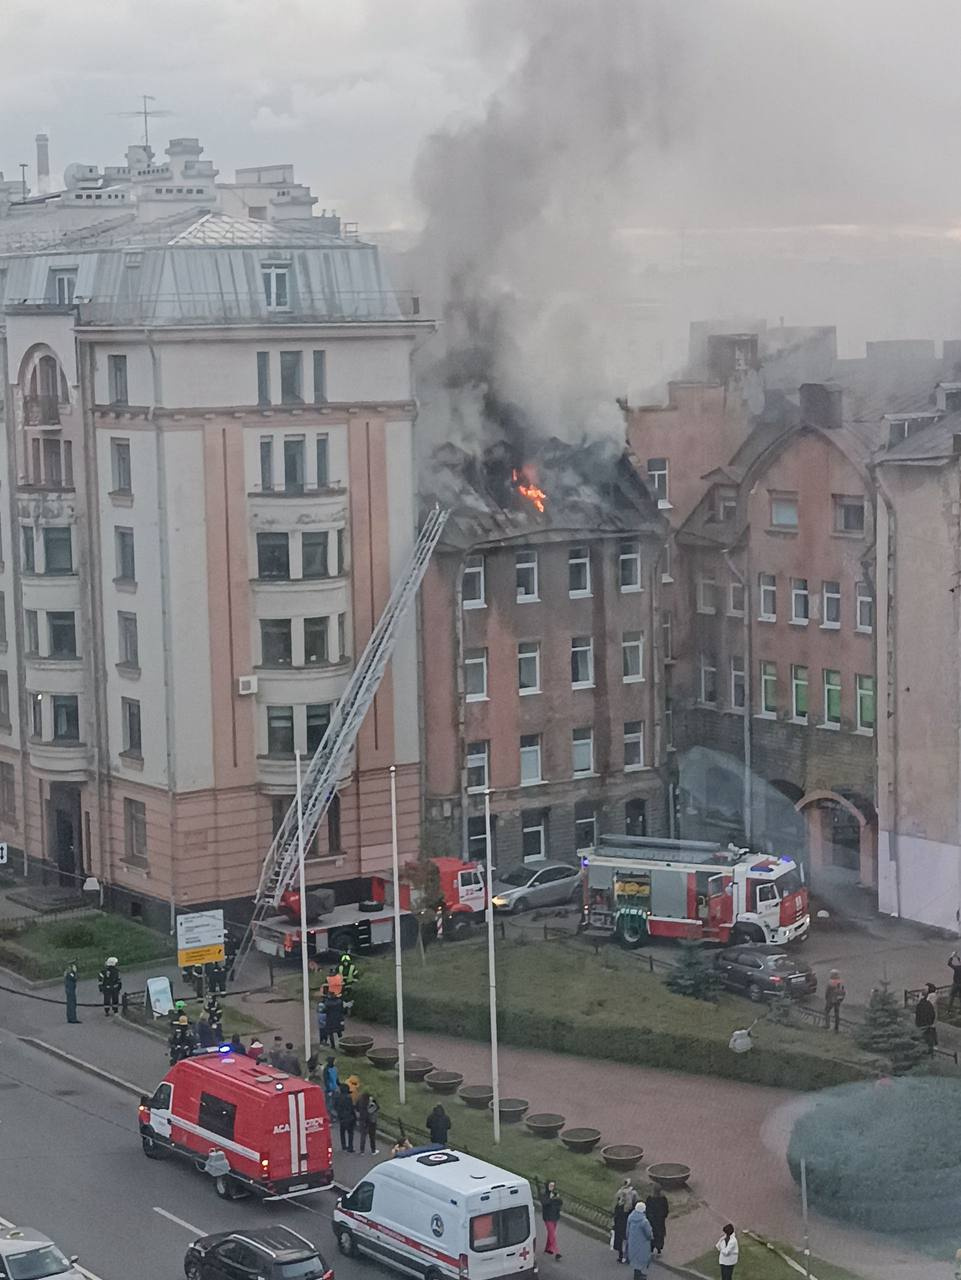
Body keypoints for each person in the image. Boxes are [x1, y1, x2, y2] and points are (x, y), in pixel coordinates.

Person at [625, 1201, 653, 1280]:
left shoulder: (630, 1217)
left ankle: (637, 1273)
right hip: (642, 1243)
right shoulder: (644, 1221)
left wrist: (628, 1237)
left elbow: (627, 1229)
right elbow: (648, 1233)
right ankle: (637, 1275)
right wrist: (651, 1237)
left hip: (632, 1241)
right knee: (640, 1258)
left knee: (635, 1258)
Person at [612, 1179, 638, 1263]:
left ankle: (620, 1255)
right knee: (628, 1237)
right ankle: (628, 1256)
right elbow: (636, 1202)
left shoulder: (620, 1191)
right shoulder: (633, 1193)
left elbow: (616, 1202)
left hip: (619, 1216)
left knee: (619, 1236)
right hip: (628, 1216)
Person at [540, 1181, 563, 1260]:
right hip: (548, 1217)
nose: (552, 1187)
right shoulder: (544, 1195)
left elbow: (560, 1203)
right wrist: (551, 1198)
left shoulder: (555, 1194)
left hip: (555, 1217)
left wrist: (557, 1198)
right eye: (550, 1186)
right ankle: (557, 1252)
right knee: (552, 1234)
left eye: (553, 1186)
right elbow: (544, 1203)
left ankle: (548, 1248)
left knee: (551, 1233)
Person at [645, 1185, 669, 1256]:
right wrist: (664, 1216)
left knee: (652, 1234)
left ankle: (651, 1248)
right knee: (660, 1234)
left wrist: (648, 1217)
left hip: (652, 1220)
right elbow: (666, 1208)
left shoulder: (650, 1198)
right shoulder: (663, 1198)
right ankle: (659, 1249)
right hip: (660, 1220)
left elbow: (647, 1209)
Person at [916, 982, 939, 1053]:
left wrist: (921, 998)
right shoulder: (930, 996)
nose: (923, 990)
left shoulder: (932, 996)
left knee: (931, 1030)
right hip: (929, 1015)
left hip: (930, 1016)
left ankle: (934, 1044)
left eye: (925, 988)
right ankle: (932, 1044)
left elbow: (927, 1004)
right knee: (930, 1030)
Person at [335, 1083, 357, 1152]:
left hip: (341, 1117)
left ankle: (343, 1146)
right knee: (350, 1133)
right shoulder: (348, 1098)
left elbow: (335, 1106)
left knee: (342, 1132)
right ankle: (350, 1147)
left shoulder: (338, 1097)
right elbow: (351, 1108)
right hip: (349, 1117)